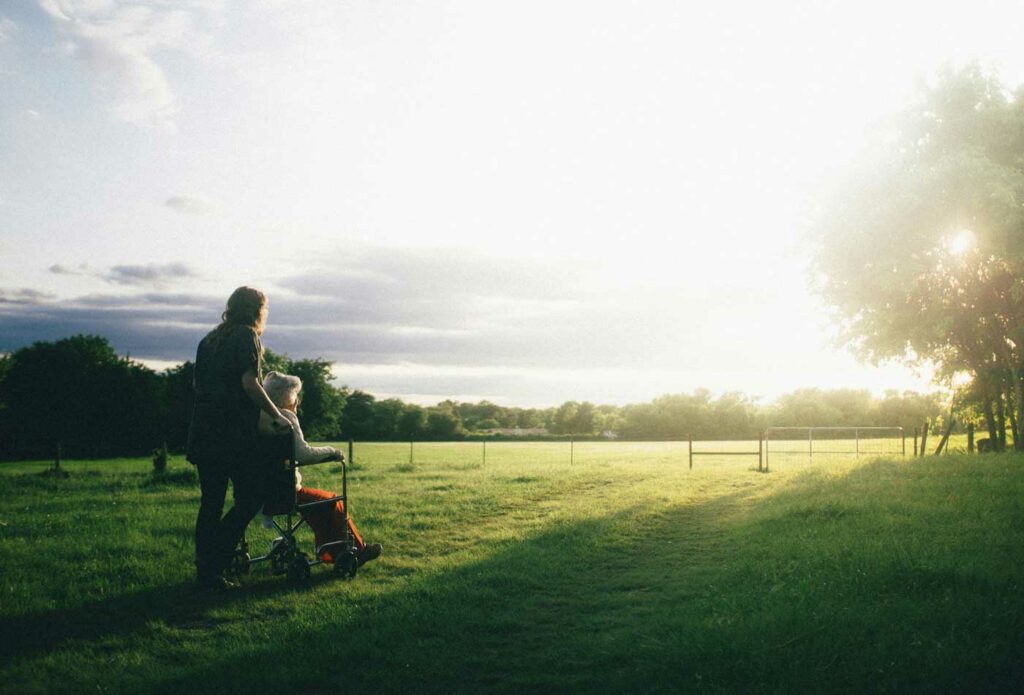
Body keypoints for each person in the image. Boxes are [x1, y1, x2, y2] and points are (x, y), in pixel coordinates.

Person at [187, 286, 292, 590]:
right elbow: (250, 383)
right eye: (265, 308)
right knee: (251, 497)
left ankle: (206, 570)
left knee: (211, 503)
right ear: (257, 310)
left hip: (203, 432)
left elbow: (198, 385)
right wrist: (276, 414)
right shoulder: (246, 336)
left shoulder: (208, 340)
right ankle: (215, 558)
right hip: (231, 436)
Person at [258, 371, 382, 567]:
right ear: (287, 397)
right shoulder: (285, 417)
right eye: (295, 396)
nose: (297, 401)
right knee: (332, 501)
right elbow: (304, 454)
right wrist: (333, 452)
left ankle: (328, 551)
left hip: (260, 492)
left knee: (318, 503)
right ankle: (357, 549)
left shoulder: (258, 417)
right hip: (285, 492)